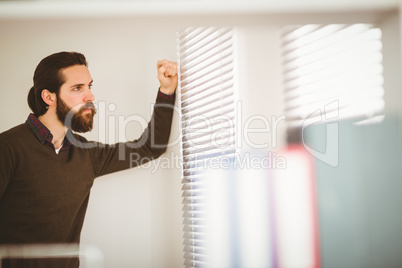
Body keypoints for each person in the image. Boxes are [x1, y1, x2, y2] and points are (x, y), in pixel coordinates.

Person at [0, 51, 178, 267]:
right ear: (49, 97)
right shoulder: (8, 148)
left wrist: (166, 91)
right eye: (77, 88)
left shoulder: (85, 153)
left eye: (89, 86)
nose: (90, 96)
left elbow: (149, 148)